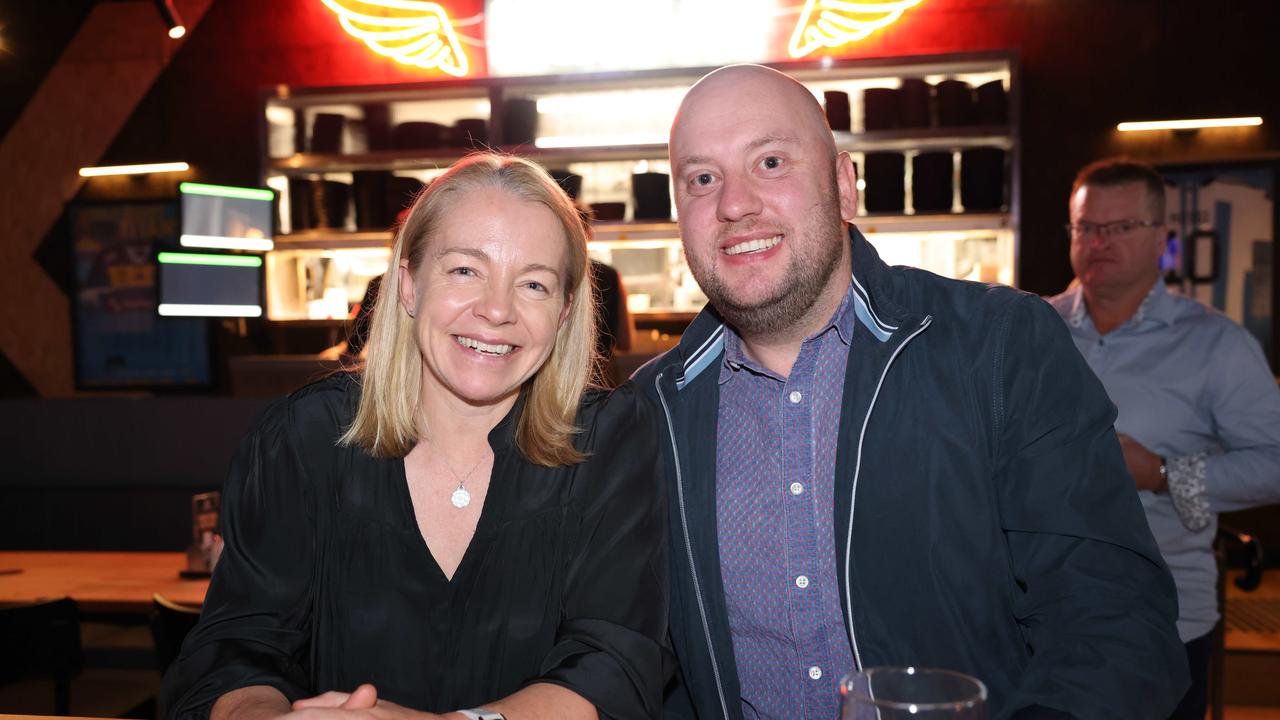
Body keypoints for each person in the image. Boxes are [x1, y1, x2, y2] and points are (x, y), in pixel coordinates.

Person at [633, 64, 1187, 719]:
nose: (733, 203)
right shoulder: (648, 411)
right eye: (702, 178)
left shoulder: (1000, 346)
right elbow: (637, 656)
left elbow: (1113, 622)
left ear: (844, 186)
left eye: (772, 161)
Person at [162, 154, 668, 720]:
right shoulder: (303, 438)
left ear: (565, 309)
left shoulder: (609, 442)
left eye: (533, 284)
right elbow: (238, 647)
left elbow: (614, 664)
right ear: (407, 283)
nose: (497, 310)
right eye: (464, 270)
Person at [1048, 157, 1280, 720]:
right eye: (1086, 227)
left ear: (1161, 237)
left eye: (1120, 227)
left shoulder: (1215, 343)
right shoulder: (1034, 328)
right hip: (1040, 616)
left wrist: (1164, 474)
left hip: (1160, 619)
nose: (1099, 242)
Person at [590, 258, 635, 387]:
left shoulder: (554, 271)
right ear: (590, 237)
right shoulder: (609, 275)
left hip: (558, 378)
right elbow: (625, 341)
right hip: (601, 377)